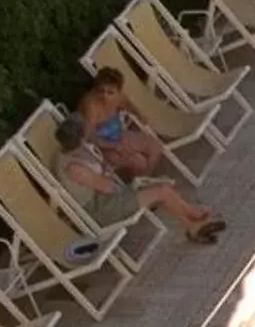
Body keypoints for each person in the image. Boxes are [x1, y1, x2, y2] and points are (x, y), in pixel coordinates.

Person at [54, 111, 224, 243]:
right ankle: (194, 223)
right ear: (81, 136)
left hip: (108, 197)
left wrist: (111, 172)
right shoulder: (74, 168)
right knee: (161, 191)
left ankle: (194, 219)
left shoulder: (76, 152)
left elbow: (105, 176)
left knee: (163, 188)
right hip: (102, 209)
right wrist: (129, 185)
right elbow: (108, 187)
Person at [76, 65, 167, 180]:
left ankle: (143, 180)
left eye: (110, 92)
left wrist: (139, 115)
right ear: (96, 89)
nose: (105, 96)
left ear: (118, 91)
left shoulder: (119, 97)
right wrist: (113, 146)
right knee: (139, 162)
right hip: (101, 147)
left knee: (156, 146)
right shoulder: (91, 106)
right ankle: (137, 185)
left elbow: (128, 105)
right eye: (101, 91)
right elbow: (89, 136)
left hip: (118, 135)